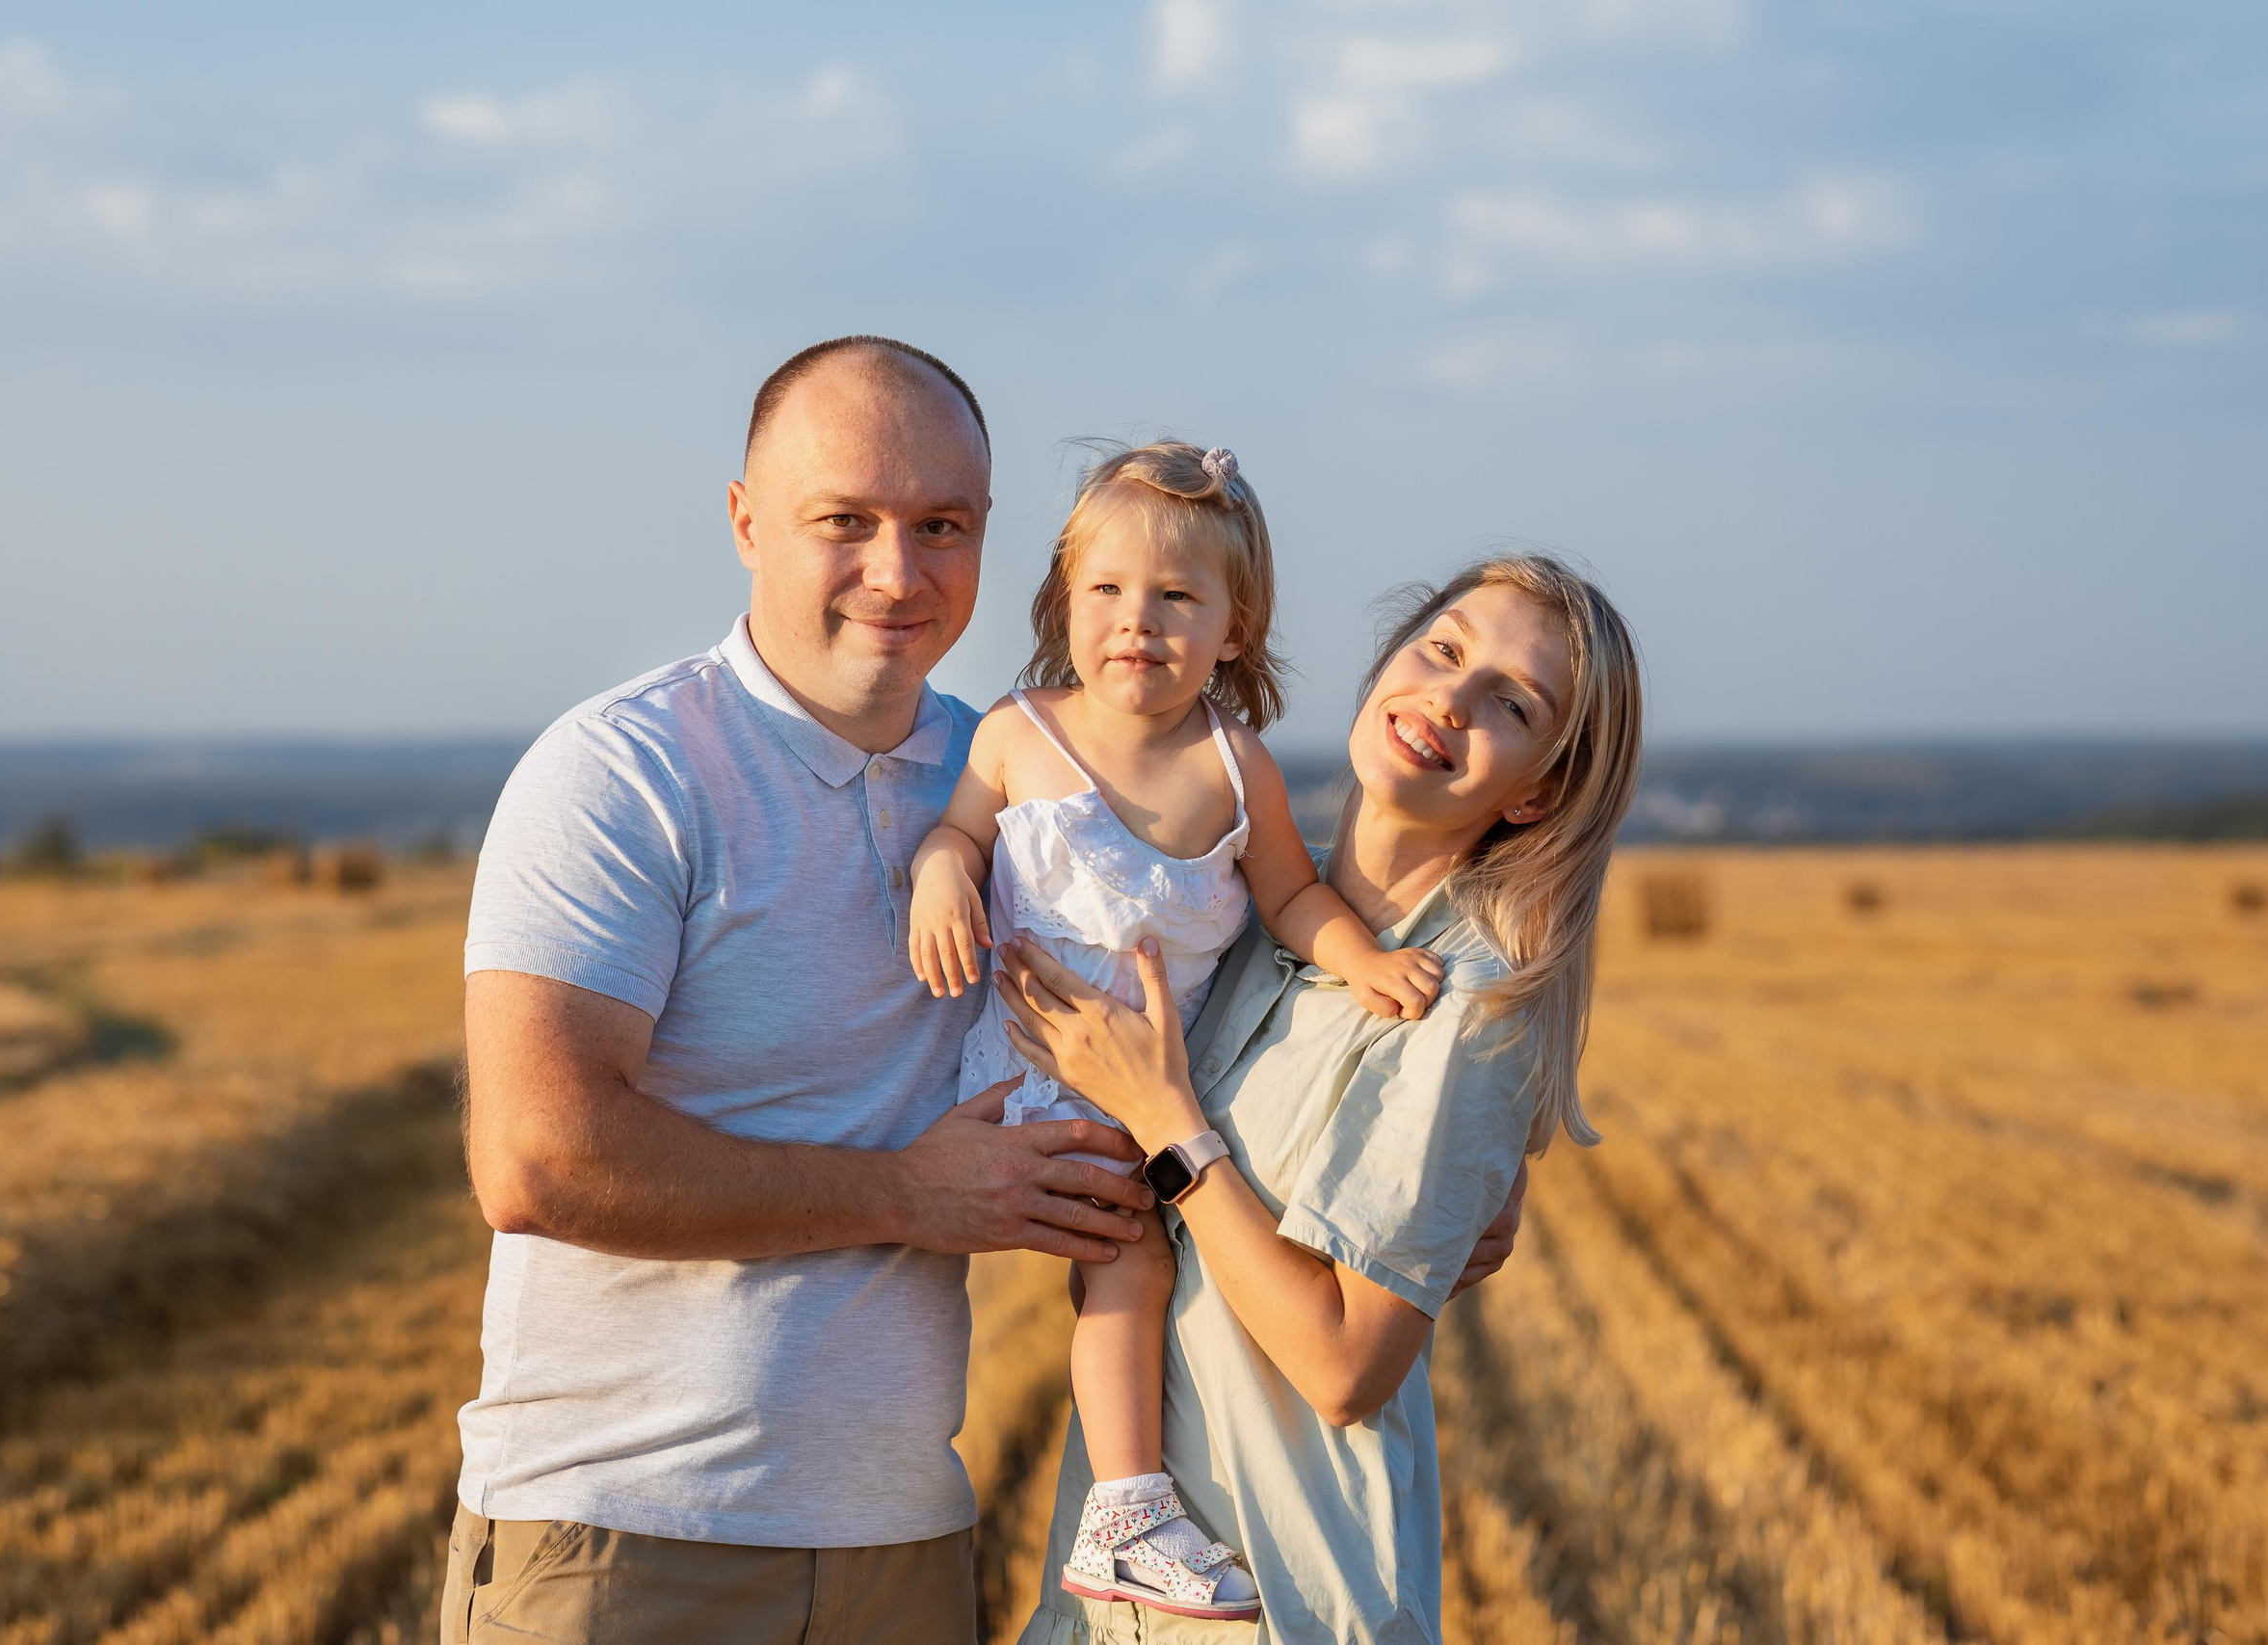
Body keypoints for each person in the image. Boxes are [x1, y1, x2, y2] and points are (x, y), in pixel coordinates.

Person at [441, 336, 1528, 1645]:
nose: (898, 571)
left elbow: (1225, 978)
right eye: (844, 520)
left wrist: (1446, 1168)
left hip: (904, 1545)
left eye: (941, 526)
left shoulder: (1033, 765)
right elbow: (536, 1163)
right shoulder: (625, 771)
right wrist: (908, 1192)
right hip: (629, 1540)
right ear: (744, 520)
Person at [995, 554, 1645, 1643]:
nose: (1450, 698)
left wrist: (1166, 1124)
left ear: (1536, 791)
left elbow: (1344, 1368)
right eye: (1442, 649)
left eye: (1511, 705)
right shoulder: (1239, 907)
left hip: (1282, 1606)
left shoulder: (1471, 1005)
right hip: (1111, 1609)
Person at [905, 441, 1445, 1623]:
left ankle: (1125, 1507)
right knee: (1118, 1260)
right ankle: (1125, 1512)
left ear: (1232, 629)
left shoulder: (1235, 769)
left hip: (1157, 1090)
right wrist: (942, 877)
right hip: (1033, 1077)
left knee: (1135, 1263)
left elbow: (1294, 899)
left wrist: (1361, 960)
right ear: (1063, 603)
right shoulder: (1016, 733)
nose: (1135, 621)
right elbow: (957, 836)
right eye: (1105, 589)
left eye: (1176, 597)